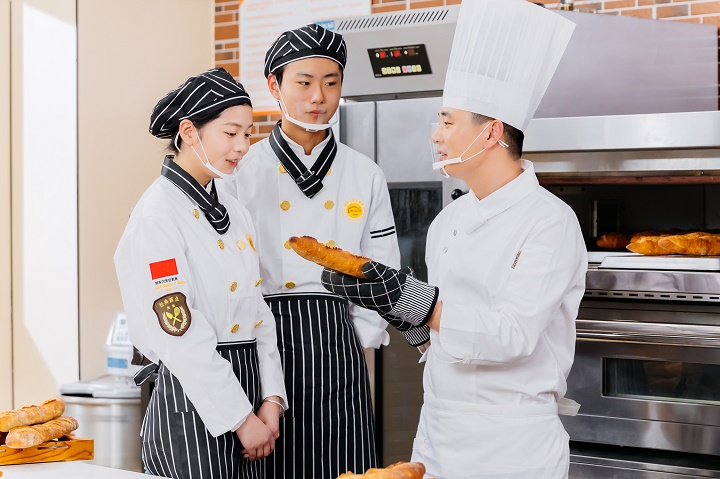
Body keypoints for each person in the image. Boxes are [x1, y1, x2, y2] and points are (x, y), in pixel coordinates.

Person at [321, 1, 587, 478]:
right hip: (438, 436)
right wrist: (402, 316)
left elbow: (511, 335)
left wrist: (417, 301)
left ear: (492, 132)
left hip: (511, 445)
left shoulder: (550, 222)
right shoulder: (449, 220)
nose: (436, 135)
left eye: (447, 121)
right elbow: (443, 340)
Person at [217, 24, 408, 479]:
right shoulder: (241, 171)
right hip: (261, 343)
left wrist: (355, 340)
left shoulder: (364, 173)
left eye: (330, 82)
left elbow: (382, 269)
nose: (318, 97)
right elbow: (226, 271)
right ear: (274, 86)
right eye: (303, 83)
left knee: (347, 468)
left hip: (337, 343)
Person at [114, 67, 287, 479]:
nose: (243, 146)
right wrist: (240, 418)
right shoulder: (157, 215)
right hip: (192, 403)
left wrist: (272, 398)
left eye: (248, 133)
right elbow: (180, 334)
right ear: (189, 132)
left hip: (250, 397)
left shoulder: (234, 209)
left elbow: (258, 311)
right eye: (231, 133)